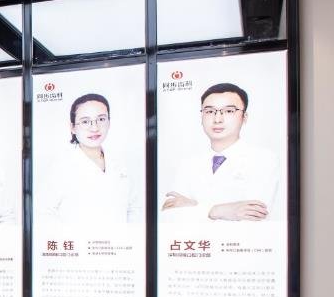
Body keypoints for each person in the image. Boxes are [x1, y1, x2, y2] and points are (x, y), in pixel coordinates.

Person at [161, 82, 281, 222]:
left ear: (244, 117)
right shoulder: (188, 165)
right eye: (209, 111)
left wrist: (194, 207)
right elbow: (169, 215)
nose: (217, 119)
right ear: (202, 117)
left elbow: (255, 215)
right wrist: (218, 210)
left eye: (229, 111)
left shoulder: (263, 159)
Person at [40, 93, 141, 225]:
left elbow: (133, 208)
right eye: (85, 121)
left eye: (101, 119)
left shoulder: (120, 163)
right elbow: (44, 212)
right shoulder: (62, 166)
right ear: (73, 128)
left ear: (109, 122)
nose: (94, 128)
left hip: (120, 238)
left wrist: (129, 235)